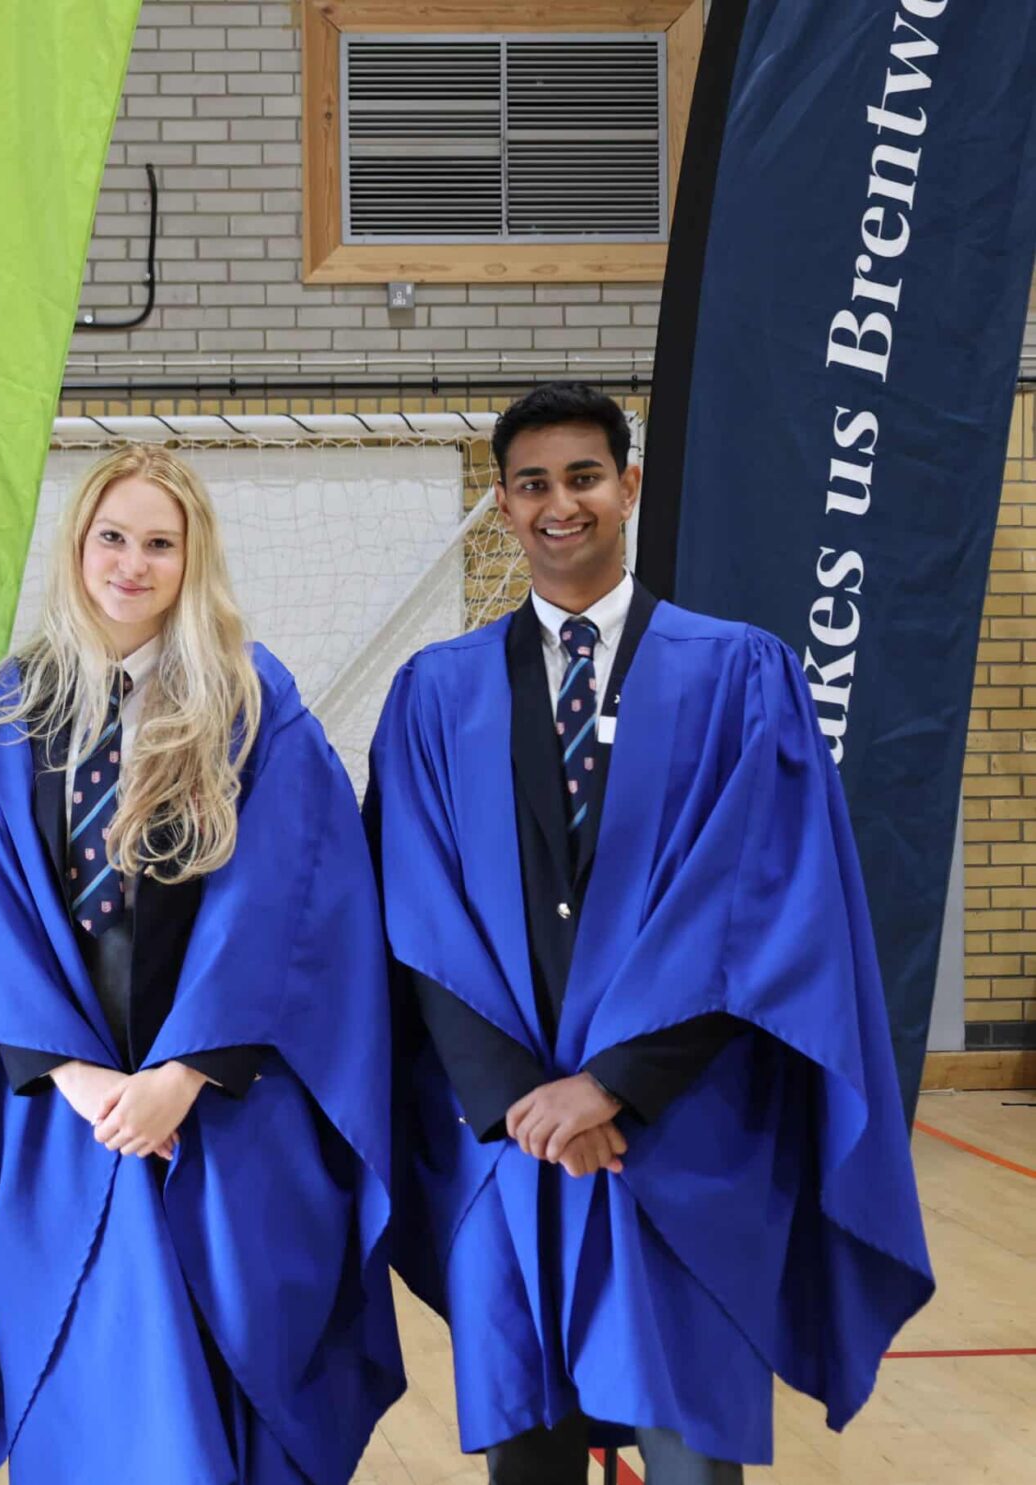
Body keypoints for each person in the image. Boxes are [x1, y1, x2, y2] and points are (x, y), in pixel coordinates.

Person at [368, 383, 934, 1484]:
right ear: (504, 506)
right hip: (511, 1145)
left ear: (629, 488)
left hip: (679, 1137)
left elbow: (765, 908)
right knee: (528, 1456)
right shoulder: (436, 697)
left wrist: (615, 1085)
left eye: (583, 477)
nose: (558, 504)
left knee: (687, 1455)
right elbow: (414, 910)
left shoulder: (740, 675)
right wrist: (519, 1103)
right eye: (532, 485)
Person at [0, 444, 404, 1484]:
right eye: (113, 538)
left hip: (225, 1110)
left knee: (215, 1396)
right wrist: (82, 1081)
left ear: (194, 559)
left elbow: (291, 901)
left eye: (159, 544)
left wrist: (182, 1076)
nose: (132, 564)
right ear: (78, 548)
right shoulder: (8, 710)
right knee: (91, 1405)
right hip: (63, 1113)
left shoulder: (250, 701)